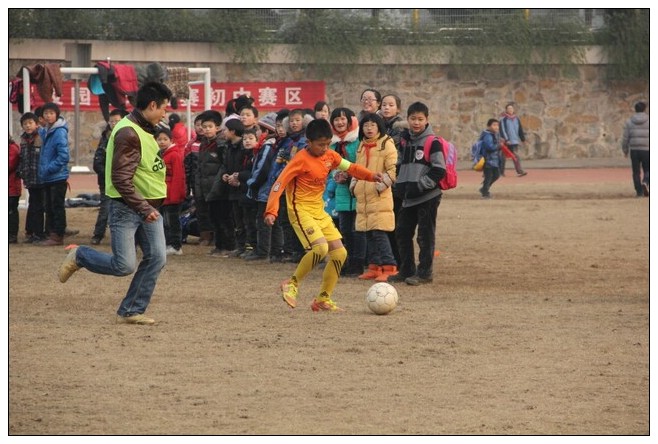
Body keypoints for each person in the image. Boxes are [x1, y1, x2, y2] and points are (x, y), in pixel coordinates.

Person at [58, 81, 173, 325]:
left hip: (149, 208)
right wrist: (143, 208)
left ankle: (131, 310)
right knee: (124, 265)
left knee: (157, 258)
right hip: (129, 208)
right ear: (152, 105)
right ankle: (80, 255)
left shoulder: (144, 128)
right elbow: (120, 179)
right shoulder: (129, 132)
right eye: (164, 108)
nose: (165, 113)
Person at [264, 118, 383, 312]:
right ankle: (292, 283)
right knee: (319, 249)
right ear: (308, 142)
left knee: (340, 253)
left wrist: (370, 175)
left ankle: (323, 299)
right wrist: (271, 210)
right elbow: (279, 184)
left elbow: (351, 167)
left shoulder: (330, 155)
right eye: (320, 145)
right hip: (300, 209)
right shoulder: (300, 160)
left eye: (328, 144)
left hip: (318, 210)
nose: (325, 148)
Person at [388, 101, 445, 286]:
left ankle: (424, 272)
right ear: (407, 119)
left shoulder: (433, 142)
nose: (416, 122)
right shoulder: (404, 141)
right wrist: (400, 185)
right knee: (402, 233)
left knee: (425, 235)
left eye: (420, 119)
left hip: (427, 196)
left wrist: (420, 185)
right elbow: (399, 165)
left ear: (427, 120)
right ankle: (406, 270)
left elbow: (439, 170)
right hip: (408, 197)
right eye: (413, 118)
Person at [351, 113, 399, 282]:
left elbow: (393, 169)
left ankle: (390, 267)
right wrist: (354, 185)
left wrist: (381, 186)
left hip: (379, 196)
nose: (369, 128)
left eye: (372, 125)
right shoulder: (361, 146)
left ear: (379, 126)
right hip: (363, 198)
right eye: (366, 125)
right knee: (368, 233)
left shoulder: (387, 144)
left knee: (379, 233)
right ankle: (374, 267)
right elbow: (357, 169)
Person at [329, 107, 365, 277]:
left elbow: (361, 164)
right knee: (345, 230)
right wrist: (337, 175)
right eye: (336, 120)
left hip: (358, 190)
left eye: (343, 119)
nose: (340, 122)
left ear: (350, 121)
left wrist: (349, 174)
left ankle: (358, 264)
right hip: (342, 191)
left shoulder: (358, 141)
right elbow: (332, 167)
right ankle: (347, 261)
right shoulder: (334, 145)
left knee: (358, 230)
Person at [91, 109, 127, 245]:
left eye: (117, 121)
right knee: (105, 209)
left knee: (126, 211)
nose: (113, 124)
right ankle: (98, 235)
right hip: (107, 182)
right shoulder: (105, 138)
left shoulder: (129, 136)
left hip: (125, 182)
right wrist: (108, 175)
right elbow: (97, 162)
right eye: (111, 121)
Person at [36, 102, 70, 246]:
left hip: (57, 176)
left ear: (57, 115)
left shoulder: (59, 132)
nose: (48, 116)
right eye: (46, 113)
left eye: (51, 113)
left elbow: (64, 156)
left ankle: (58, 235)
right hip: (48, 177)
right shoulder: (47, 131)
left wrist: (48, 168)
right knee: (49, 207)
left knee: (56, 207)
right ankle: (51, 233)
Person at [380, 93, 406, 266]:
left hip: (397, 183)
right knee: (385, 224)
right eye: (384, 104)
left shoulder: (402, 130)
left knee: (398, 225)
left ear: (398, 108)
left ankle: (400, 261)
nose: (386, 107)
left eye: (390, 105)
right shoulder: (376, 126)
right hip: (381, 182)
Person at [156, 127, 187, 255]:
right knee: (163, 222)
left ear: (171, 140)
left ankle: (175, 245)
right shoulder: (159, 154)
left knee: (172, 222)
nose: (162, 142)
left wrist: (174, 196)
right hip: (162, 193)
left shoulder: (174, 155)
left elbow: (178, 177)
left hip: (171, 195)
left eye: (165, 139)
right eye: (159, 139)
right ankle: (167, 243)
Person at [17, 112, 46, 243]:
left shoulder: (42, 137)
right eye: (25, 124)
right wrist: (22, 172)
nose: (28, 126)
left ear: (36, 124)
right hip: (30, 178)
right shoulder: (23, 139)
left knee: (39, 206)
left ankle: (39, 233)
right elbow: (22, 159)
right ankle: (30, 232)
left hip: (41, 178)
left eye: (30, 123)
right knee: (33, 205)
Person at [621, 101, 650, 197]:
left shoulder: (629, 122)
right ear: (645, 109)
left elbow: (625, 138)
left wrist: (625, 150)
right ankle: (645, 182)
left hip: (634, 150)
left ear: (635, 109)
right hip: (647, 149)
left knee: (636, 172)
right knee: (648, 169)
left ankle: (639, 192)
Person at [499, 103, 527, 177]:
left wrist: (522, 139)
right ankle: (501, 172)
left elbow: (519, 129)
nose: (510, 110)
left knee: (513, 156)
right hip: (507, 141)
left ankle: (519, 171)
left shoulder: (516, 118)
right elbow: (502, 130)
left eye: (511, 108)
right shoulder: (503, 119)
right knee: (504, 157)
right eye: (509, 109)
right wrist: (506, 139)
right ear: (506, 110)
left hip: (514, 141)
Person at [478, 118, 502, 199]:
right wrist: (499, 146)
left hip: (494, 160)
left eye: (497, 125)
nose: (496, 127)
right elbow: (489, 147)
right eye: (494, 125)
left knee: (496, 175)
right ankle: (485, 193)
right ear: (489, 126)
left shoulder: (495, 134)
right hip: (488, 160)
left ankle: (484, 188)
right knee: (488, 176)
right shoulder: (487, 135)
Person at [9, 136, 21, 244]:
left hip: (12, 188)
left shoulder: (12, 148)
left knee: (11, 212)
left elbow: (9, 165)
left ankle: (12, 235)